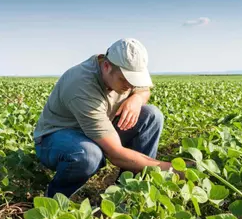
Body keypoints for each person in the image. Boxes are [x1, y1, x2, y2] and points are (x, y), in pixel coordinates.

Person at [34, 38, 186, 198]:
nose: (131, 86)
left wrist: (137, 99)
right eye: (125, 79)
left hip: (99, 128)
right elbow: (116, 153)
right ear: (106, 66)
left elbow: (144, 89)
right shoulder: (81, 85)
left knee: (152, 115)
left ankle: (128, 193)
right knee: (88, 155)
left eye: (135, 80)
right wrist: (173, 171)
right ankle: (54, 199)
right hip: (57, 138)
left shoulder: (122, 72)